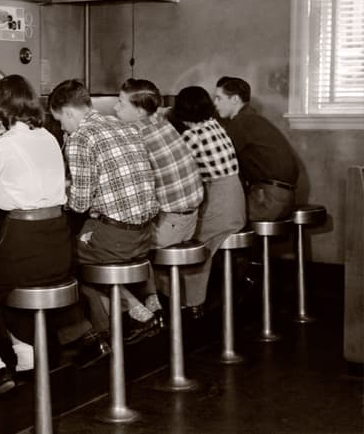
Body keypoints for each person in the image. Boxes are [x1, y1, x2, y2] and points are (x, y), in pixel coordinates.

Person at [0, 75, 72, 401]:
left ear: (0, 105)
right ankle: (27, 357)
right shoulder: (49, 137)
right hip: (58, 240)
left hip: (26, 240)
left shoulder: (2, 145)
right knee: (6, 284)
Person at [48, 80, 160, 343]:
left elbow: (80, 204)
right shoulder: (124, 125)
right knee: (87, 238)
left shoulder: (81, 137)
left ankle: (115, 325)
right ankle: (144, 306)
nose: (62, 128)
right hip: (145, 235)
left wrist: (61, 192)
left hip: (117, 239)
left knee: (65, 263)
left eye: (61, 121)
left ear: (69, 112)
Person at [114, 79, 205, 318]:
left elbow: (125, 186)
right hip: (189, 220)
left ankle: (138, 310)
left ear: (140, 110)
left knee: (111, 248)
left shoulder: (136, 134)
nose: (115, 108)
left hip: (170, 226)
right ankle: (152, 298)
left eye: (121, 103)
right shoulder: (160, 121)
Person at [169, 86, 246, 317]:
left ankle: (191, 303)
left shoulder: (190, 137)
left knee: (191, 243)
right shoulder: (215, 126)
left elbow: (175, 172)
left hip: (219, 205)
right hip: (236, 201)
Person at [214, 76, 298, 221]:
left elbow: (220, 164)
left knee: (212, 216)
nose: (215, 104)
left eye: (219, 98)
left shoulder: (241, 123)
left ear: (234, 99)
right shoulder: (252, 118)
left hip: (268, 200)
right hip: (282, 197)